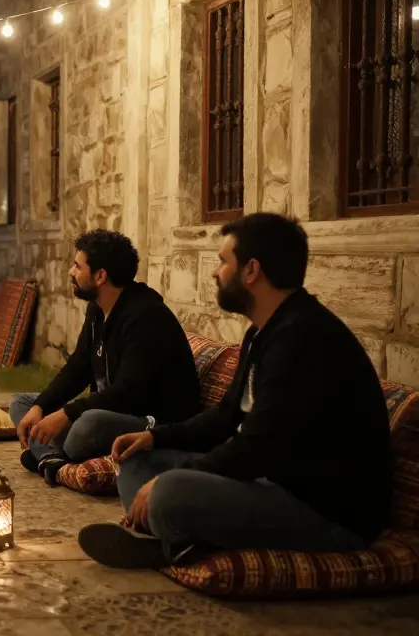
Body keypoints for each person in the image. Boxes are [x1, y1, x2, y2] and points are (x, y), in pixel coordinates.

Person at [78, 213, 392, 569]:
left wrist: (177, 478)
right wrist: (154, 437)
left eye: (223, 261)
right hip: (270, 482)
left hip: (323, 510)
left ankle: (170, 546)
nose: (215, 272)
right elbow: (227, 416)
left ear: (251, 270)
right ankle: (180, 537)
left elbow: (261, 446)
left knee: (168, 491)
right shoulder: (264, 330)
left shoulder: (304, 338)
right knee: (136, 458)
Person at [9, 229, 200, 486]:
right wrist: (42, 407)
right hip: (108, 410)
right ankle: (53, 460)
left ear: (100, 276)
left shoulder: (146, 317)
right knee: (23, 404)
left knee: (87, 425)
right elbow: (78, 368)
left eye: (77, 266)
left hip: (146, 419)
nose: (70, 272)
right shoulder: (97, 310)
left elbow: (128, 393)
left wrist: (67, 413)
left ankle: (48, 453)